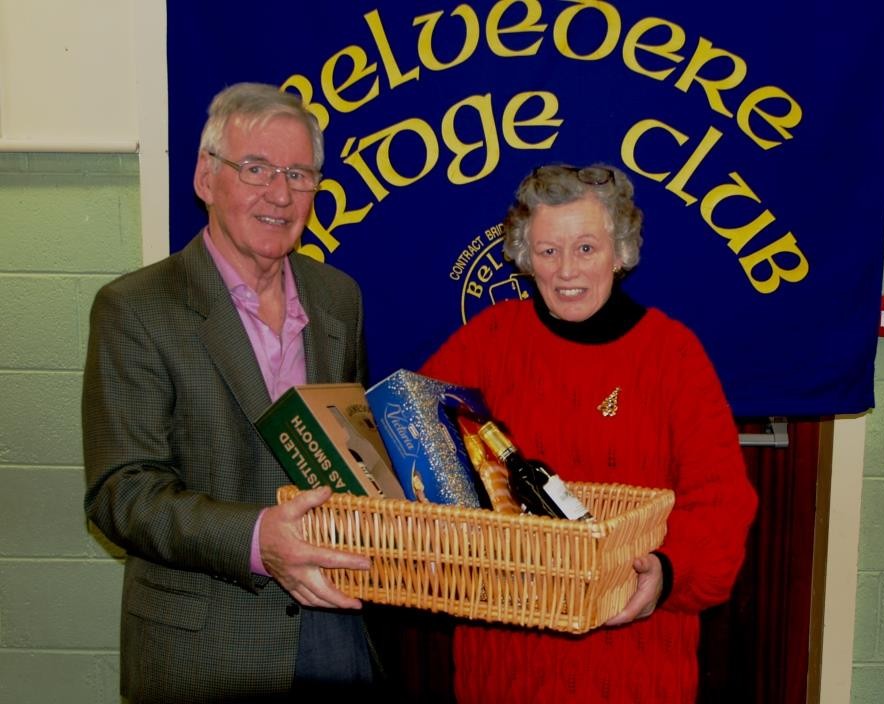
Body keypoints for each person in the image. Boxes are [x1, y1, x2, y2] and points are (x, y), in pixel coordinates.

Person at [83, 83, 380, 702]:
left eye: (299, 174)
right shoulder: (134, 309)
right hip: (205, 645)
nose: (280, 193)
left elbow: (352, 456)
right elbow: (122, 492)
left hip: (338, 630)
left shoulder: (339, 298)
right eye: (256, 169)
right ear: (204, 176)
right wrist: (255, 538)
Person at [420, 163, 758, 703]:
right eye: (548, 251)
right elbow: (416, 442)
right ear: (526, 259)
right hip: (505, 668)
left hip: (633, 663)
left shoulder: (673, 356)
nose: (565, 270)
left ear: (620, 253)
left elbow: (721, 503)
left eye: (585, 248)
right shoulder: (486, 342)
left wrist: (667, 574)